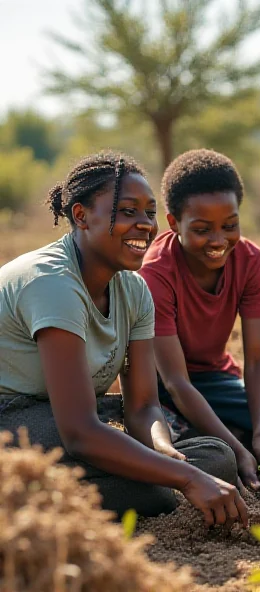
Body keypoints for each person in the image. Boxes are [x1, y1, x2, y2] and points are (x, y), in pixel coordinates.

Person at [0, 152, 247, 526]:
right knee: (167, 478)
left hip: (67, 420)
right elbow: (80, 432)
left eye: (149, 213)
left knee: (216, 457)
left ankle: (87, 494)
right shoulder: (51, 284)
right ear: (81, 216)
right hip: (16, 418)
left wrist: (164, 452)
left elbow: (144, 405)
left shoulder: (133, 289)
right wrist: (186, 477)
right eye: (128, 211)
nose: (145, 225)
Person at [139, 149, 260, 490]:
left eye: (230, 226)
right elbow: (176, 381)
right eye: (203, 229)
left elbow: (259, 357)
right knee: (181, 445)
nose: (219, 241)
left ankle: (218, 434)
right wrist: (237, 450)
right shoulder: (155, 273)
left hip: (213, 379)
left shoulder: (250, 261)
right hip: (161, 385)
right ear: (174, 223)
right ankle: (218, 437)